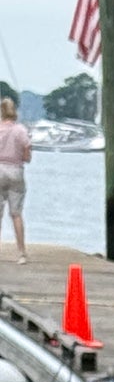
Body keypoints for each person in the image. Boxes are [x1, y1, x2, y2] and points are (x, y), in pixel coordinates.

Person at [0, 98, 30, 262]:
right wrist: (23, 157)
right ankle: (21, 253)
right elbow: (27, 153)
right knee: (16, 213)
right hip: (15, 171)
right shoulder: (20, 130)